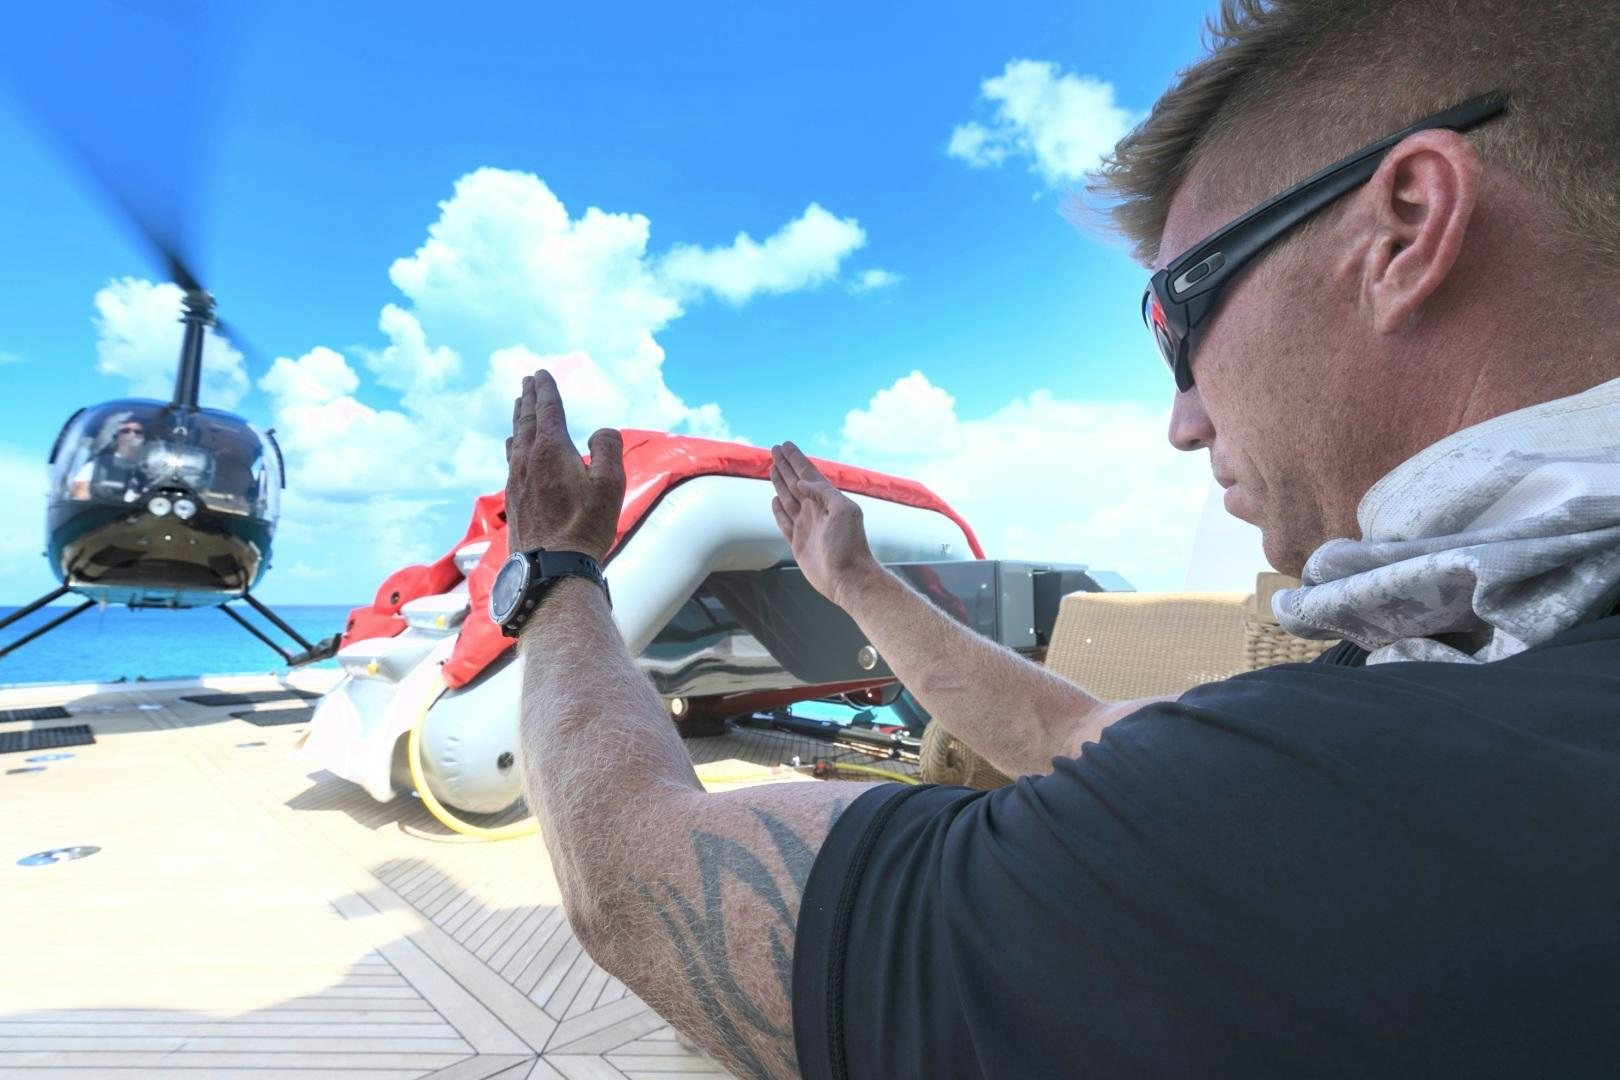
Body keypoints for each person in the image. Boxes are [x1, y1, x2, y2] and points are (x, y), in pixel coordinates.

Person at [502, 1, 1620, 1075]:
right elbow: (1068, 722)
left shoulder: (1321, 813)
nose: (1183, 421)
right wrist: (851, 580)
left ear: (1406, 228)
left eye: (1177, 314)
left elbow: (638, 880)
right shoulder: (1498, 676)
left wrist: (556, 571)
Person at [70, 415, 151, 502]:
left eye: (138, 432)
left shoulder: (149, 472)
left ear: (143, 439)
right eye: (126, 431)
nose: (132, 434)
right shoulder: (95, 466)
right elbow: (79, 495)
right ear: (117, 437)